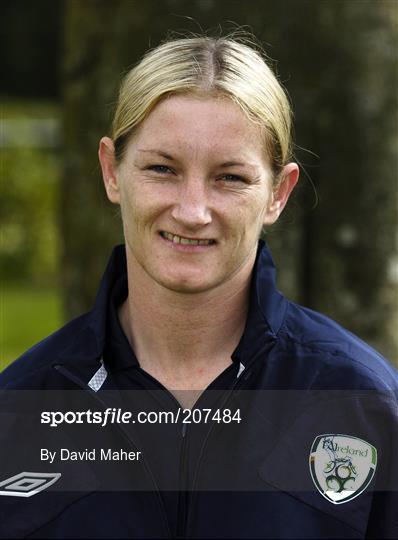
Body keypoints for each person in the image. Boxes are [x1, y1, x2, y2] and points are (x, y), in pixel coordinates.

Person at [0, 34, 397, 539]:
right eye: (162, 169)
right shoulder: (19, 409)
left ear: (278, 193)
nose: (192, 211)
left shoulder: (360, 401)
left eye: (229, 178)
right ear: (111, 171)